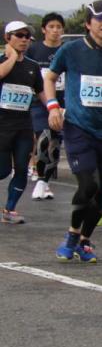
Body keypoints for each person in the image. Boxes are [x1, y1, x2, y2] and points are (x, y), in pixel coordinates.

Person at [43, 0, 102, 263]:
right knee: (88, 184)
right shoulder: (71, 50)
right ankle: (72, 236)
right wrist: (53, 107)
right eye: (100, 19)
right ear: (88, 24)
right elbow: (50, 78)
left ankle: (84, 240)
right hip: (78, 127)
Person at [0, 21, 44, 224]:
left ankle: (10, 209)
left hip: (23, 127)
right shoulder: (2, 61)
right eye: (19, 35)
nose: (25, 39)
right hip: (2, 126)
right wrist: (11, 56)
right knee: (3, 171)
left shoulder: (33, 67)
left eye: (27, 36)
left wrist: (55, 109)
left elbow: (41, 91)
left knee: (20, 168)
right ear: (7, 38)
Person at [28, 12, 66, 201]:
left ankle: (46, 181)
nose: (55, 30)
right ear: (44, 29)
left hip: (63, 103)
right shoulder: (34, 50)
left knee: (55, 143)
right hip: (38, 103)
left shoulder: (66, 50)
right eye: (51, 27)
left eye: (58, 27)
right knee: (43, 138)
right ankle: (40, 178)